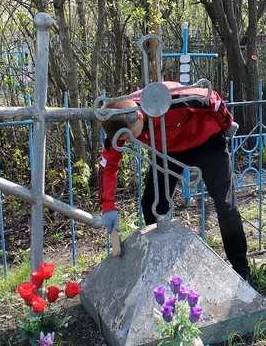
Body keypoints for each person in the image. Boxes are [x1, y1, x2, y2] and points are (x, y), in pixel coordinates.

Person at [97, 81, 251, 280]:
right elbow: (107, 165)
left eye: (129, 137)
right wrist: (108, 206)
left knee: (226, 205)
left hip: (205, 141)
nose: (127, 142)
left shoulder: (174, 101)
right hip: (167, 150)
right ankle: (164, 268)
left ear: (140, 116)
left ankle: (241, 270)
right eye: (123, 140)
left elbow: (211, 99)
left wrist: (227, 124)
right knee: (152, 203)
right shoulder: (118, 125)